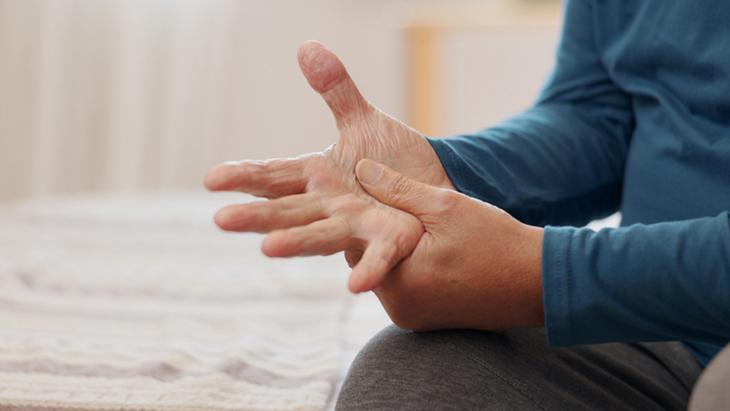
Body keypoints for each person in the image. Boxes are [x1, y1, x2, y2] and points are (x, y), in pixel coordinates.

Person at [204, 1, 730, 409]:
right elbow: (599, 114)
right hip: (660, 328)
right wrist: (446, 172)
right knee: (415, 376)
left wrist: (540, 274)